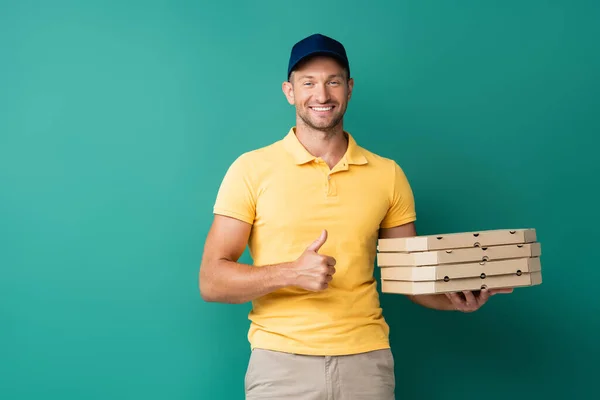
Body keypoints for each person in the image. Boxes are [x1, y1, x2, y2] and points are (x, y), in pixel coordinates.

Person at [199, 33, 513, 399]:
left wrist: (455, 299)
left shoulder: (387, 174)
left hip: (366, 364)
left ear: (349, 88)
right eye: (308, 83)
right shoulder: (250, 169)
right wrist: (291, 273)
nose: (321, 95)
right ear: (289, 91)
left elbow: (408, 276)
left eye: (333, 81)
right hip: (281, 365)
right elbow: (212, 280)